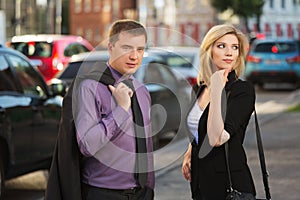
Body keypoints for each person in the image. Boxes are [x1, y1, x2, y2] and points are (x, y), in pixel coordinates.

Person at [45, 19, 154, 200]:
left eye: (140, 49)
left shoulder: (142, 91)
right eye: (127, 48)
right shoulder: (89, 87)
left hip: (139, 193)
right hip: (101, 193)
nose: (135, 56)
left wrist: (149, 188)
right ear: (110, 47)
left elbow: (147, 146)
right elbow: (87, 146)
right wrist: (120, 109)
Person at [181, 24, 256, 200]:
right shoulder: (199, 88)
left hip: (230, 187)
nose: (229, 52)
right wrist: (189, 153)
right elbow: (198, 128)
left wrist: (216, 92)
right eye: (222, 46)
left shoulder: (242, 91)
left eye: (234, 47)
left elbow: (216, 138)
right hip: (200, 184)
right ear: (209, 50)